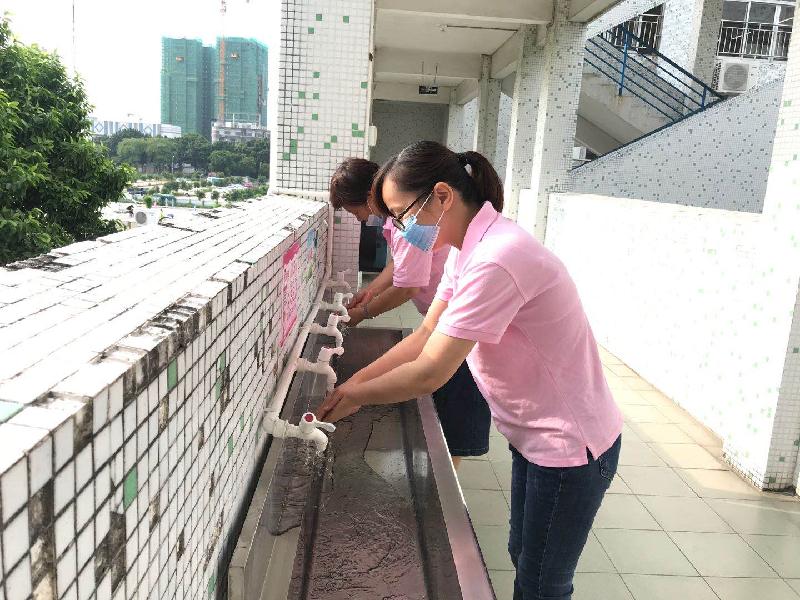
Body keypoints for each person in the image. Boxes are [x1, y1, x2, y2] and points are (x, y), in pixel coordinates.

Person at [320, 142, 623, 600]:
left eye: (403, 215)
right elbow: (425, 334)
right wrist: (353, 384)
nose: (402, 229)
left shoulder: (497, 258)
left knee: (542, 582)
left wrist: (357, 397)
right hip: (535, 434)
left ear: (442, 196)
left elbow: (431, 370)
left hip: (570, 444)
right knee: (524, 554)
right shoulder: (466, 248)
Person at [328, 157, 492, 468]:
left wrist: (364, 313)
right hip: (443, 318)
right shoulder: (409, 229)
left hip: (462, 329)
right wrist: (371, 291)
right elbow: (403, 273)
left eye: (356, 212)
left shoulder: (415, 231)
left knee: (455, 421)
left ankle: (447, 478)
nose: (361, 220)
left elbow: (409, 287)